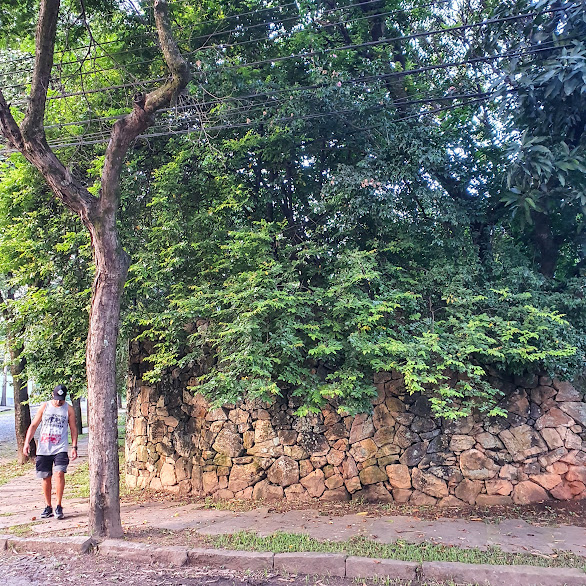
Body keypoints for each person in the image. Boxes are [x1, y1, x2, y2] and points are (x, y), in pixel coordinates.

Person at [23, 384, 78, 520]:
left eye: (62, 399)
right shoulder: (45, 407)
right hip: (44, 448)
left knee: (59, 473)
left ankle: (59, 505)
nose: (59, 401)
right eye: (57, 398)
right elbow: (34, 425)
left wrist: (74, 447)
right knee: (46, 477)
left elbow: (73, 428)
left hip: (60, 447)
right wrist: (26, 443)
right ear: (53, 395)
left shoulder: (68, 409)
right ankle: (48, 507)